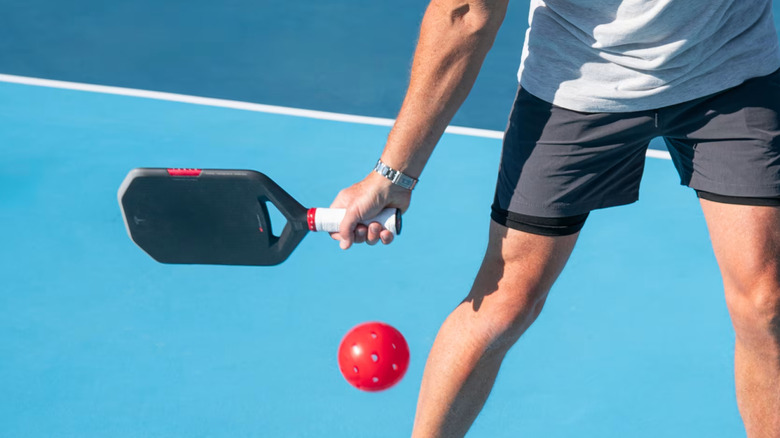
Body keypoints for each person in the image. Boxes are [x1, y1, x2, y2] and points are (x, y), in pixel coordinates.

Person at [329, 0, 780, 436]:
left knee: (766, 301)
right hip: (579, 80)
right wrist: (395, 175)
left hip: (730, 66)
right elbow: (465, 13)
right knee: (504, 302)